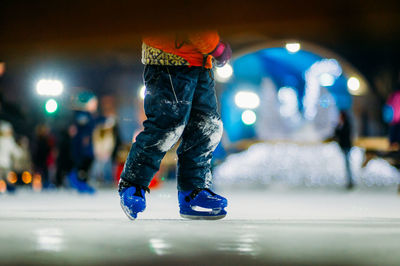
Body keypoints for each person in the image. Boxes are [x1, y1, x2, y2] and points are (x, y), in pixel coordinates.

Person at [119, 31, 232, 220]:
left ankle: (193, 190)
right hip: (168, 58)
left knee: (206, 127)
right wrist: (215, 46)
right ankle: (133, 183)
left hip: (201, 62)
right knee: (167, 125)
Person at [334, 111, 354, 189]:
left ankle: (350, 181)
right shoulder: (340, 125)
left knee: (348, 164)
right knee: (346, 164)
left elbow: (343, 135)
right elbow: (336, 133)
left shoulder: (346, 125)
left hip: (346, 146)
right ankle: (348, 181)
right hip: (343, 147)